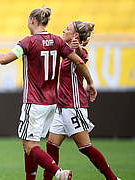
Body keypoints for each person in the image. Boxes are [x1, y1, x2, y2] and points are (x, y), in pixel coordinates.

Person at [0, 7, 97, 180]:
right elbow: (80, 61)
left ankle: (59, 173)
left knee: (31, 146)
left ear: (32, 20)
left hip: (34, 101)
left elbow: (3, 59)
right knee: (31, 145)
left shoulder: (27, 42)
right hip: (52, 104)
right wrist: (90, 83)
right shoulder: (57, 41)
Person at [43, 21, 121, 180]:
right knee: (51, 146)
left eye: (67, 29)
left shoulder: (80, 52)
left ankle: (113, 179)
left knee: (85, 147)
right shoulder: (65, 51)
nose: (63, 30)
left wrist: (78, 47)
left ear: (75, 36)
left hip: (74, 106)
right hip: (61, 106)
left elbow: (81, 57)